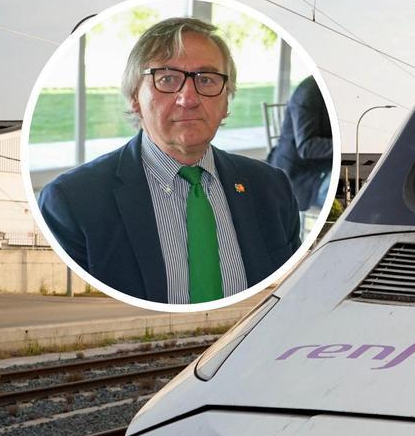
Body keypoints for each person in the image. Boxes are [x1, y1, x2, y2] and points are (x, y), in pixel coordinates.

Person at [38, 17, 301, 304]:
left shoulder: (272, 190)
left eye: (207, 80)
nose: (188, 98)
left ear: (226, 101)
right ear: (134, 98)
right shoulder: (73, 203)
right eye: (167, 79)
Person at [266, 75, 334, 229]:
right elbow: (306, 147)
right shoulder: (308, 92)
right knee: (350, 193)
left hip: (325, 167)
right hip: (298, 176)